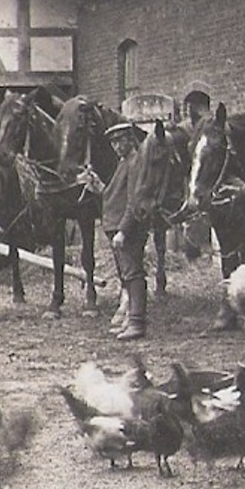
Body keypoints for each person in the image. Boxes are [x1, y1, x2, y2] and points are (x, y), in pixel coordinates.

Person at [102, 122, 153, 341]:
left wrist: (123, 230)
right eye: (113, 142)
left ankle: (136, 323)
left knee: (133, 274)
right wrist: (99, 188)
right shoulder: (124, 163)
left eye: (120, 141)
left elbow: (134, 201)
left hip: (128, 229)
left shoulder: (135, 163)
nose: (116, 146)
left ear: (129, 140)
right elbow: (116, 195)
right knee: (126, 275)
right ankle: (130, 320)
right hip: (116, 227)